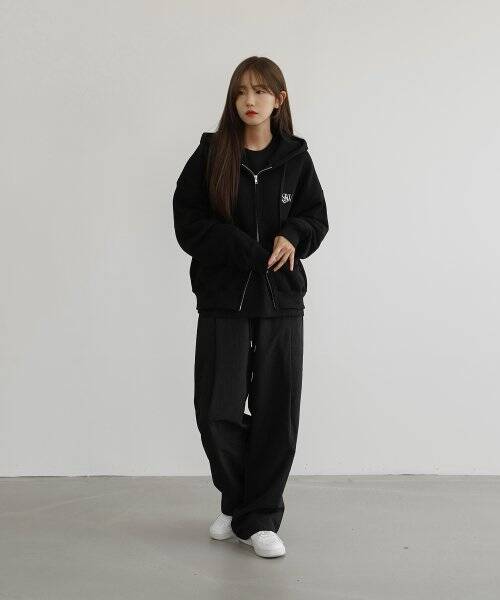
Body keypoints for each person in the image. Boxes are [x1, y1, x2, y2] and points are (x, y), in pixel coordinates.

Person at [173, 56, 329, 558]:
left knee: (276, 411)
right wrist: (241, 247)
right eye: (241, 91)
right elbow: (188, 222)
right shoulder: (211, 154)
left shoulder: (296, 159)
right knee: (215, 410)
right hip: (224, 298)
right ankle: (241, 504)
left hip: (281, 300)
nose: (250, 100)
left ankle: (258, 518)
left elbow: (316, 217)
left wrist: (294, 234)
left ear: (279, 100)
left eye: (261, 91)